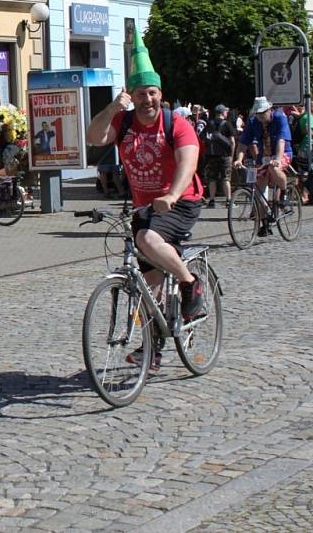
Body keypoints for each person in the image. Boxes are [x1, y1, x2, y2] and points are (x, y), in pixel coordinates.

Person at [85, 27, 204, 372]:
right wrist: (112, 106)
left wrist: (172, 193)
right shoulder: (123, 122)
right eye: (140, 94)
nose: (146, 100)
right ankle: (152, 349)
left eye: (151, 93)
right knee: (149, 287)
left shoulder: (176, 124)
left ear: (160, 94)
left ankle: (190, 283)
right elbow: (94, 137)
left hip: (181, 202)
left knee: (147, 238)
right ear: (132, 95)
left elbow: (188, 162)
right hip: (143, 208)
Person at [234, 96, 293, 236]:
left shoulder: (279, 118)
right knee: (257, 189)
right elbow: (243, 143)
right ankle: (265, 222)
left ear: (269, 109)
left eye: (262, 113)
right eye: (258, 113)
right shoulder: (253, 121)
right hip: (264, 157)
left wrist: (277, 159)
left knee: (274, 168)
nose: (260, 116)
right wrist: (239, 159)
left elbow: (281, 141)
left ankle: (284, 194)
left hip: (283, 153)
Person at [202, 104, 235, 208]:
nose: (227, 113)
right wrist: (232, 155)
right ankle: (229, 201)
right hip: (225, 155)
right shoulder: (227, 124)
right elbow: (232, 142)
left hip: (212, 155)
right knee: (226, 178)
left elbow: (203, 137)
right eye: (225, 111)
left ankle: (212, 201)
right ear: (222, 113)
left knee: (212, 178)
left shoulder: (209, 124)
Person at [296, 100, 313, 205]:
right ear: (310, 107)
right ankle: (306, 195)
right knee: (310, 172)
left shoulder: (304, 116)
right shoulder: (309, 116)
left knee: (305, 173)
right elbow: (307, 129)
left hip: (304, 147)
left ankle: (308, 195)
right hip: (307, 148)